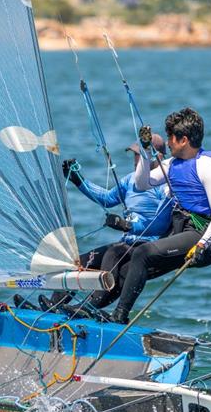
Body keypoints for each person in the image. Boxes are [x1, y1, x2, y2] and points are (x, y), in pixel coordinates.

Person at [107, 107, 211, 324]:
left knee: (143, 253)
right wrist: (146, 153)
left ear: (183, 140)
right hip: (184, 229)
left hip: (207, 234)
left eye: (170, 138)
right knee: (128, 267)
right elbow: (141, 183)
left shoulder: (209, 167)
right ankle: (92, 307)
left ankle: (119, 317)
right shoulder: (172, 165)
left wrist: (202, 244)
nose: (167, 143)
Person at [38, 134, 173, 316]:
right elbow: (107, 199)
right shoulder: (130, 180)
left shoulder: (164, 185)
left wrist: (127, 225)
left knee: (114, 252)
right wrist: (78, 180)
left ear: (158, 157)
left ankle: (89, 307)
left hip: (147, 245)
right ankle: (52, 307)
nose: (137, 159)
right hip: (128, 241)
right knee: (80, 262)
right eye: (135, 155)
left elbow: (160, 224)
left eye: (141, 155)